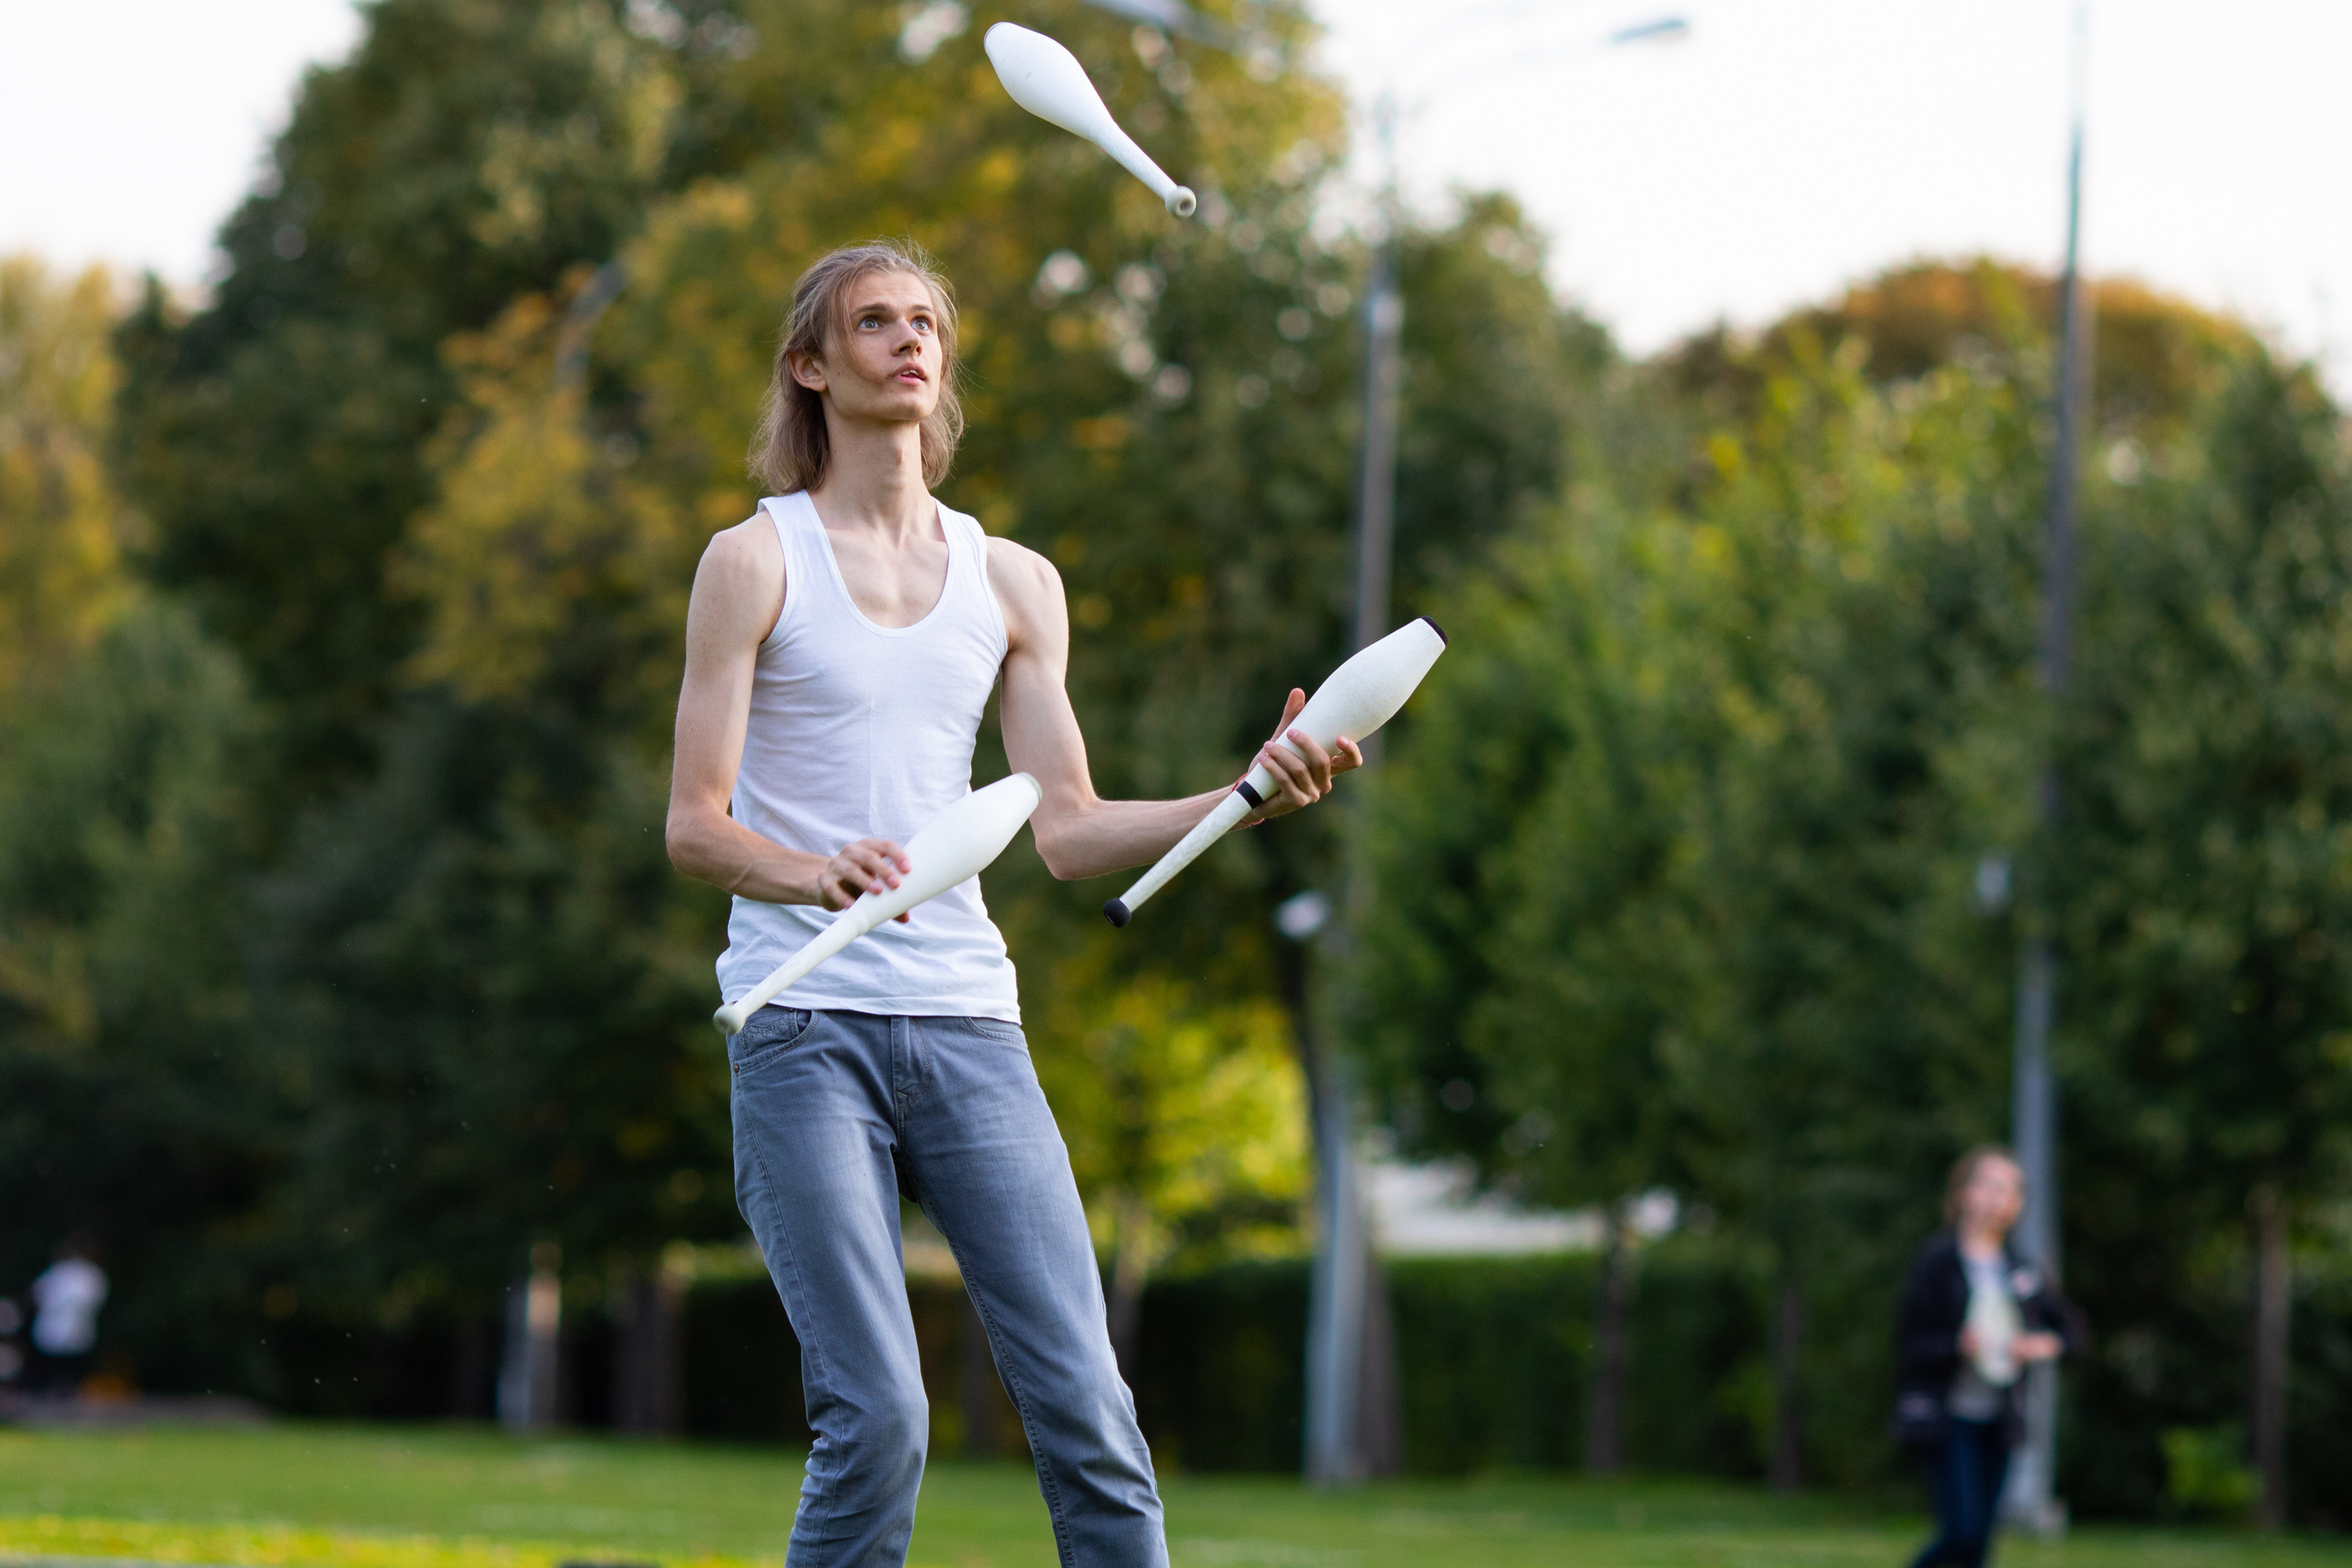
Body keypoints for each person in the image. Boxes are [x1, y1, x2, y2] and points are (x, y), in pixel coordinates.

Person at [664, 240, 1361, 1568]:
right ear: (810, 365)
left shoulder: (1013, 581)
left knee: (1091, 1410)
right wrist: (812, 871)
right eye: (874, 322)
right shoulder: (752, 563)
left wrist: (1240, 795)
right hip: (804, 1025)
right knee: (880, 1419)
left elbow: (1069, 828)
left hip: (970, 1028)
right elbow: (694, 826)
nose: (909, 342)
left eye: (925, 322)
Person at [1894, 1147, 2080, 1568]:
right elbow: (1909, 1343)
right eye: (1992, 1185)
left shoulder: (2019, 1268)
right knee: (1963, 1532)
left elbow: (2071, 1330)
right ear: (1963, 1192)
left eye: (2012, 1189)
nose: (2001, 1197)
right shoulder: (1938, 1262)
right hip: (1948, 1416)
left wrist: (2036, 1345)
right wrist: (1957, 1345)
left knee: (1979, 1544)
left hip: (2000, 1420)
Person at [24, 1235, 108, 1398]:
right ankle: (58, 1390)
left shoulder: (82, 1273)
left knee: (68, 1361)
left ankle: (65, 1390)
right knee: (57, 1361)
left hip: (73, 1324)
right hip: (56, 1325)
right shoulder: (61, 1272)